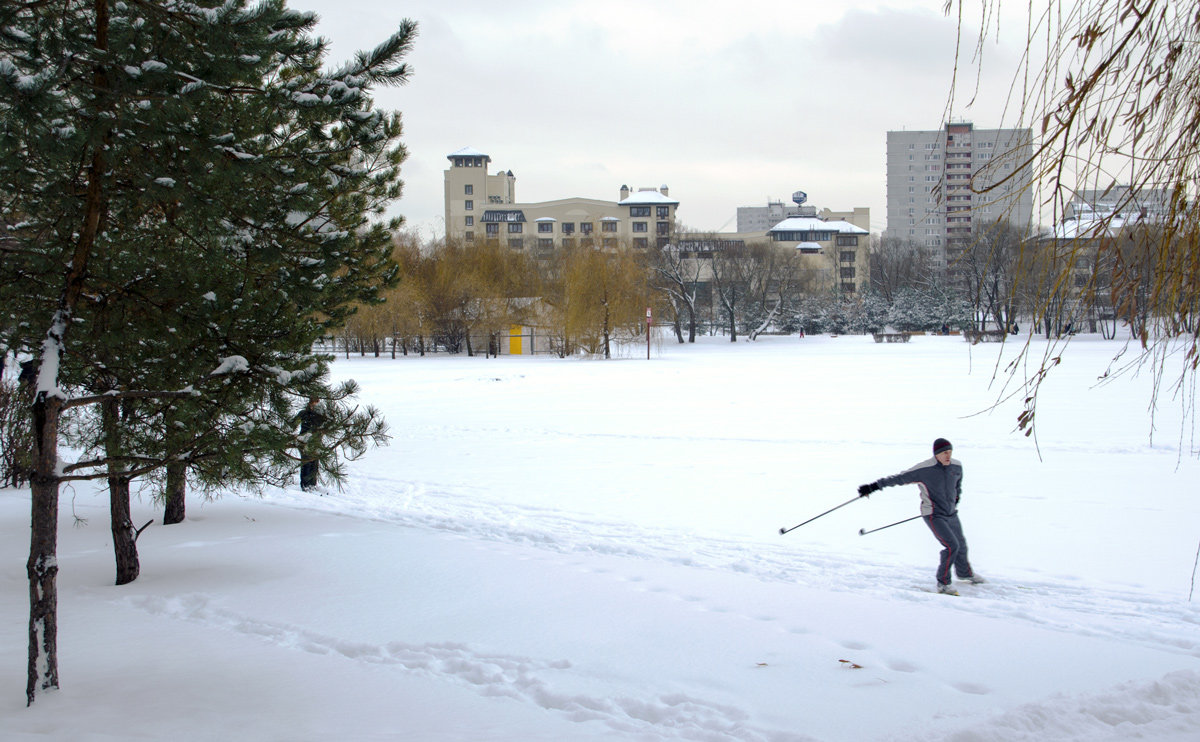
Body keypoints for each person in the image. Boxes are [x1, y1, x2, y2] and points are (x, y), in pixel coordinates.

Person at [857, 438, 984, 595]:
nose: (948, 456)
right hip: (933, 514)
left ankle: (965, 573)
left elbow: (957, 486)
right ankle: (943, 584)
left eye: (950, 452)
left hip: (951, 513)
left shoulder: (956, 466)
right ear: (936, 454)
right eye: (944, 453)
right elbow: (898, 478)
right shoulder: (925, 469)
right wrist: (874, 486)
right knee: (952, 546)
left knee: (961, 544)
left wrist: (956, 500)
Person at [296, 396, 325, 491]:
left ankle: (313, 484)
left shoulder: (321, 415)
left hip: (316, 443)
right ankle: (305, 485)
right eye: (314, 402)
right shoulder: (303, 413)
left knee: (314, 464)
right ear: (310, 403)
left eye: (317, 402)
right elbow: (293, 424)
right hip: (304, 442)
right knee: (306, 464)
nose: (315, 405)